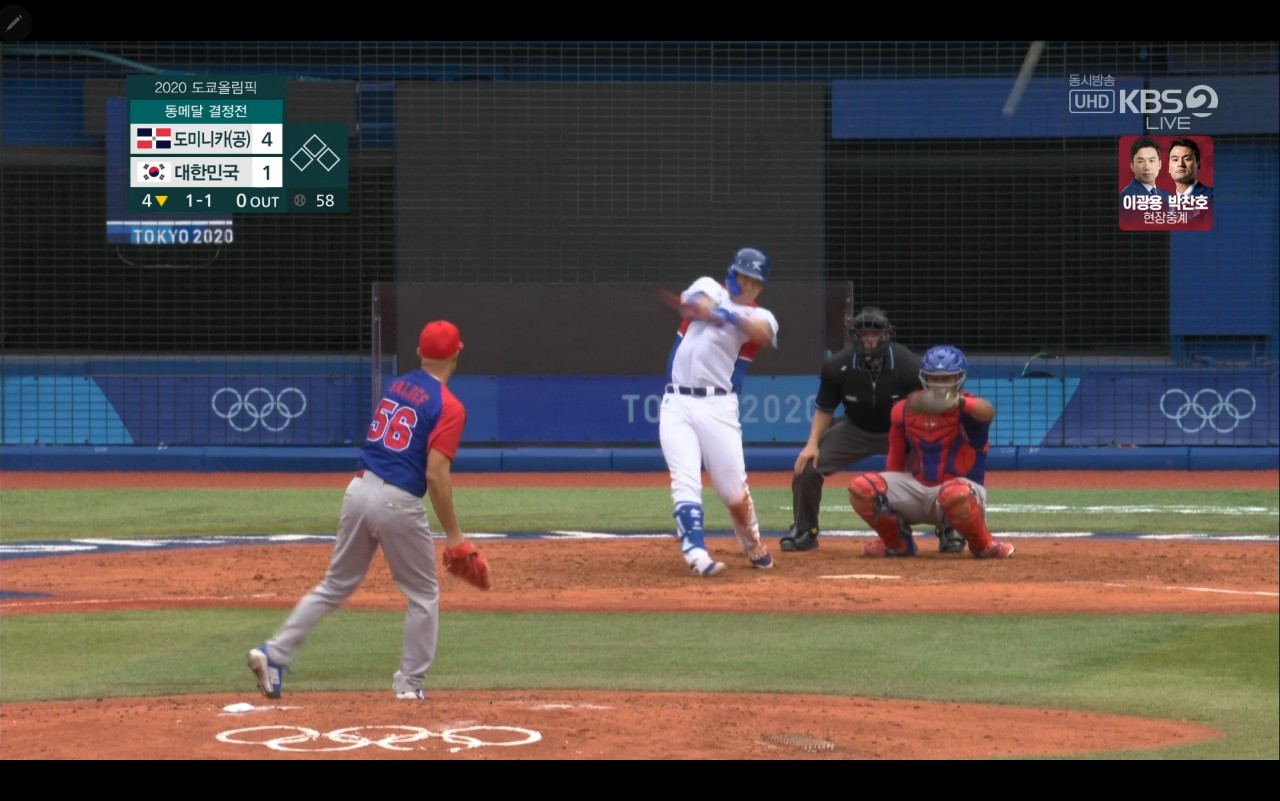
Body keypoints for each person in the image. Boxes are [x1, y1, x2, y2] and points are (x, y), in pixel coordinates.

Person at [246, 319, 492, 701]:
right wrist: (455, 536)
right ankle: (409, 685)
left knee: (334, 585)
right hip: (398, 501)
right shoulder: (450, 406)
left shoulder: (397, 387)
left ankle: (274, 653)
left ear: (419, 353)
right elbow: (436, 475)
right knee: (423, 596)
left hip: (358, 490)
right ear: (456, 356)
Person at [781, 307, 964, 553]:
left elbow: (928, 404)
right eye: (864, 334)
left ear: (887, 335)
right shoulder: (837, 365)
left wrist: (929, 438)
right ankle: (805, 530)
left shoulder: (908, 364)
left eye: (876, 333)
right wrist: (812, 443)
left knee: (939, 463)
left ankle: (949, 529)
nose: (870, 339)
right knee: (807, 467)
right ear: (854, 337)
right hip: (855, 428)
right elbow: (825, 409)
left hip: (902, 431)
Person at [659, 246, 779, 577]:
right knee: (685, 479)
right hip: (677, 402)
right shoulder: (709, 287)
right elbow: (693, 300)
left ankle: (753, 543)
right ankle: (696, 553)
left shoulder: (762, 315)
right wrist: (708, 308)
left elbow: (762, 333)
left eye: (755, 281)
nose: (749, 285)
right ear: (732, 273)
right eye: (744, 276)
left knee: (733, 493)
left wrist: (728, 316)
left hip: (719, 406)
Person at [847, 344, 1015, 560]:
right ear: (925, 378)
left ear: (959, 379)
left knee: (955, 493)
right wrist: (888, 493)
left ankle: (983, 544)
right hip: (918, 489)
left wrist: (959, 402)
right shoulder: (905, 409)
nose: (940, 385)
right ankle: (897, 543)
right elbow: (895, 459)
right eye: (935, 379)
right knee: (863, 488)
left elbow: (988, 411)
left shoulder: (970, 409)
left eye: (947, 379)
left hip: (963, 493)